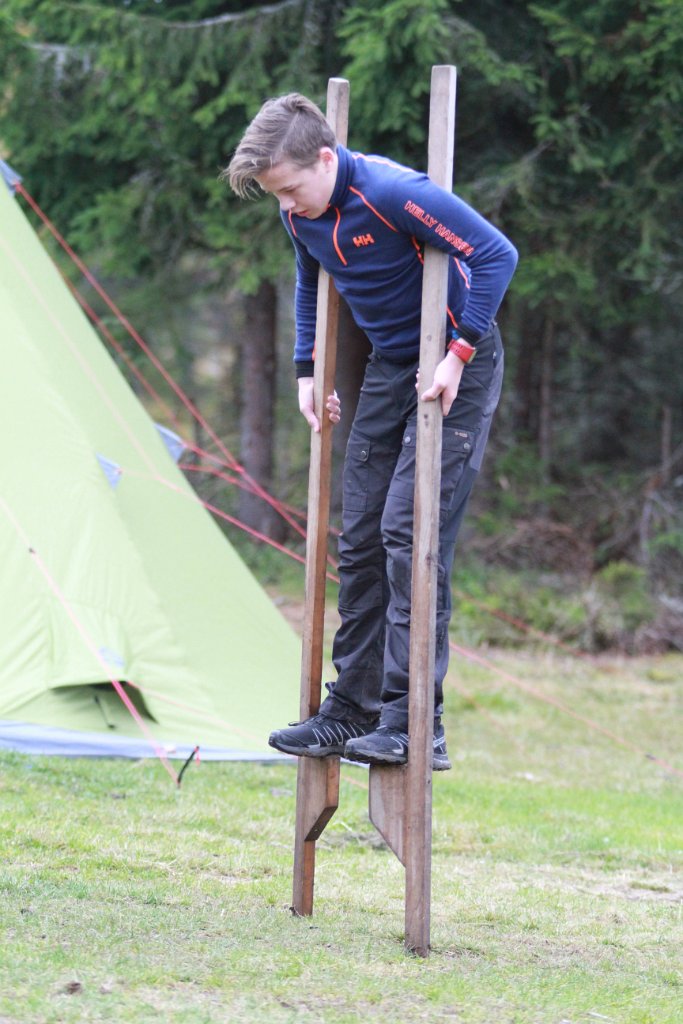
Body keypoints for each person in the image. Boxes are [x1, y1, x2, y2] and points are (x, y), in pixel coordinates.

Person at [224, 92, 517, 770]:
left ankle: (415, 722)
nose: (286, 205)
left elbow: (496, 254)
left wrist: (459, 352)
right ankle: (349, 710)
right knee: (358, 539)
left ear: (326, 160)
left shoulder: (390, 192)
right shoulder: (299, 213)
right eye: (276, 194)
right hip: (391, 366)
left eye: (291, 189)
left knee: (407, 535)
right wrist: (307, 370)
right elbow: (310, 280)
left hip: (455, 363)